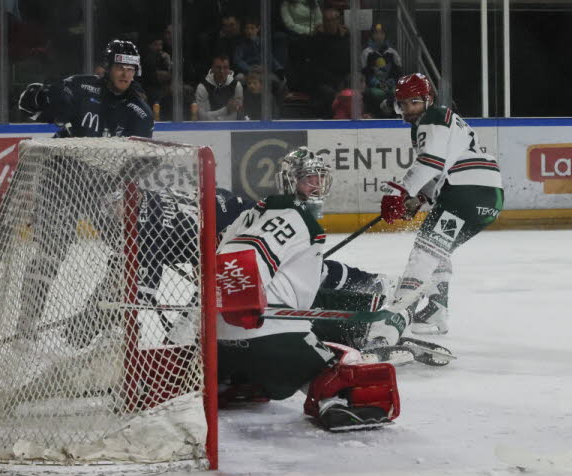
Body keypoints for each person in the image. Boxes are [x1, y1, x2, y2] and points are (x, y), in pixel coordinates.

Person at [215, 148, 401, 430]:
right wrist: (242, 309)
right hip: (266, 334)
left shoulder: (249, 215)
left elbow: (217, 258)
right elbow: (246, 257)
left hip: (220, 344)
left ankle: (234, 381)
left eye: (319, 178)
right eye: (307, 179)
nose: (316, 185)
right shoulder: (294, 217)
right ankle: (334, 401)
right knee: (340, 361)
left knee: (263, 356)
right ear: (289, 181)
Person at [367, 73, 504, 344]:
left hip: (465, 193)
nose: (409, 109)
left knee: (423, 254)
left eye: (414, 102)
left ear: (428, 100)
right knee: (438, 250)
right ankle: (435, 311)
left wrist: (399, 192)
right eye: (403, 104)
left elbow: (430, 163)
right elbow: (439, 169)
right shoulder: (443, 120)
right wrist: (419, 198)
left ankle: (393, 320)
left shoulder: (433, 117)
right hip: (489, 199)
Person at [18, 39, 153, 138]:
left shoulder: (140, 111)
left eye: (130, 69)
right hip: (64, 162)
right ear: (108, 67)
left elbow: (139, 161)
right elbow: (26, 104)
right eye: (120, 68)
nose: (125, 75)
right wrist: (44, 98)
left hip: (106, 168)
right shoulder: (80, 86)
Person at [194, 54, 243, 121]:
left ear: (229, 69)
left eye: (225, 67)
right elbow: (202, 118)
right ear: (212, 69)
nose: (222, 71)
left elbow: (239, 115)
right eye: (218, 68)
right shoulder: (202, 88)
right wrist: (226, 110)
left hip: (232, 125)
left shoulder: (237, 86)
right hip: (210, 126)